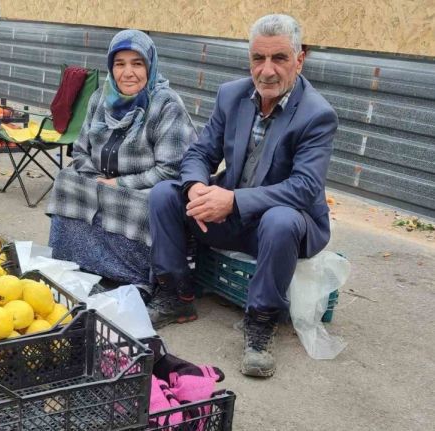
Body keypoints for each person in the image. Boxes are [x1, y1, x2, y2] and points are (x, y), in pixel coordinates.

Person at [146, 14, 338, 378]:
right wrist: (197, 187)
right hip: (230, 216)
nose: (266, 71)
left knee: (280, 219)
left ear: (300, 59)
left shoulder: (317, 115)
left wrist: (233, 200)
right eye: (257, 58)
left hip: (281, 227)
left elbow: (305, 187)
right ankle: (175, 295)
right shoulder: (231, 95)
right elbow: (200, 153)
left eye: (279, 58)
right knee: (163, 195)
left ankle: (261, 323)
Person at [46, 30, 196, 296]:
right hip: (101, 181)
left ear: (150, 65)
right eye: (120, 64)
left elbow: (171, 169)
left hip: (144, 189)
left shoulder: (166, 104)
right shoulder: (99, 99)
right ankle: (78, 259)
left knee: (147, 203)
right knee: (65, 180)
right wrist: (97, 181)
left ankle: (134, 275)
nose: (128, 72)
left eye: (137, 64)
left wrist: (118, 183)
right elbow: (80, 151)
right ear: (111, 67)